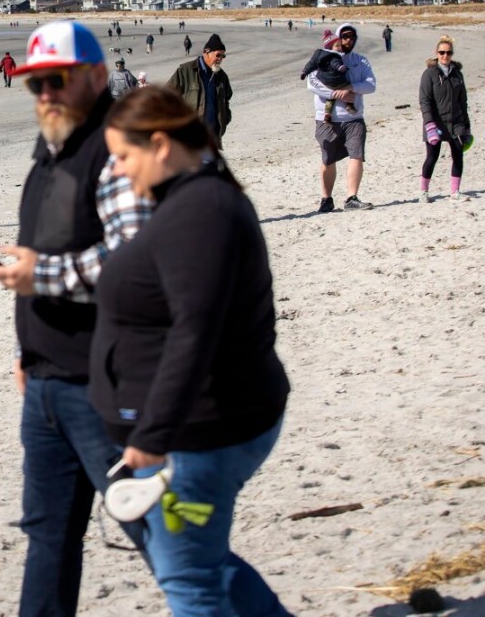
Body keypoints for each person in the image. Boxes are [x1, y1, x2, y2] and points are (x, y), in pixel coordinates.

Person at [93, 86, 291, 616]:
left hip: (198, 432)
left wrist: (154, 434)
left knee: (189, 579)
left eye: (123, 156)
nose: (117, 170)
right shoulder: (191, 199)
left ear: (160, 145)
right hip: (194, 427)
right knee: (205, 564)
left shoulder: (202, 210)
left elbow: (196, 329)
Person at [0, 21, 151, 614]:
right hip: (46, 383)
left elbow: (136, 259)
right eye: (36, 84)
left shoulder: (116, 150)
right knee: (48, 536)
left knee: (165, 535)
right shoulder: (49, 153)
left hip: (104, 384)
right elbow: (44, 250)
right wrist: (25, 353)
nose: (47, 93)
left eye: (59, 80)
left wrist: (42, 278)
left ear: (97, 77)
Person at [308, 23, 376, 212]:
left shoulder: (360, 61)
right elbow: (312, 83)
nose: (348, 41)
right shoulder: (323, 58)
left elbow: (371, 85)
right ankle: (326, 199)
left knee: (357, 155)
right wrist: (335, 93)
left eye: (352, 37)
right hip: (327, 119)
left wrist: (351, 88)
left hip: (354, 118)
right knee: (328, 159)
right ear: (338, 38)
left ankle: (351, 198)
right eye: (344, 37)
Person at [418, 35, 470, 203]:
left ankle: (455, 192)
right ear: (437, 53)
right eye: (442, 52)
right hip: (436, 124)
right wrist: (429, 124)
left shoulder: (457, 75)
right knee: (432, 157)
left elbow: (463, 101)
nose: (445, 56)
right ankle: (423, 193)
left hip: (456, 123)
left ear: (452, 54)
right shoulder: (429, 74)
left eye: (448, 53)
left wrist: (466, 126)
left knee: (458, 155)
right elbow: (424, 101)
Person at [167, 34, 232, 148]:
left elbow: (226, 99)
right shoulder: (186, 71)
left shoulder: (222, 76)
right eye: (218, 55)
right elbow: (166, 96)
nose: (220, 59)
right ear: (206, 53)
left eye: (223, 56)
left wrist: (224, 118)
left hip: (211, 137)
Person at [300, 29, 355, 123]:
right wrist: (341, 67)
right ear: (330, 46)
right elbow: (335, 63)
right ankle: (349, 105)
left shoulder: (319, 54)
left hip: (325, 81)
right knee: (349, 87)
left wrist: (304, 72)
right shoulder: (334, 55)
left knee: (330, 99)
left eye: (340, 45)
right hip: (336, 80)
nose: (340, 48)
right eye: (337, 46)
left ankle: (327, 115)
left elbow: (311, 64)